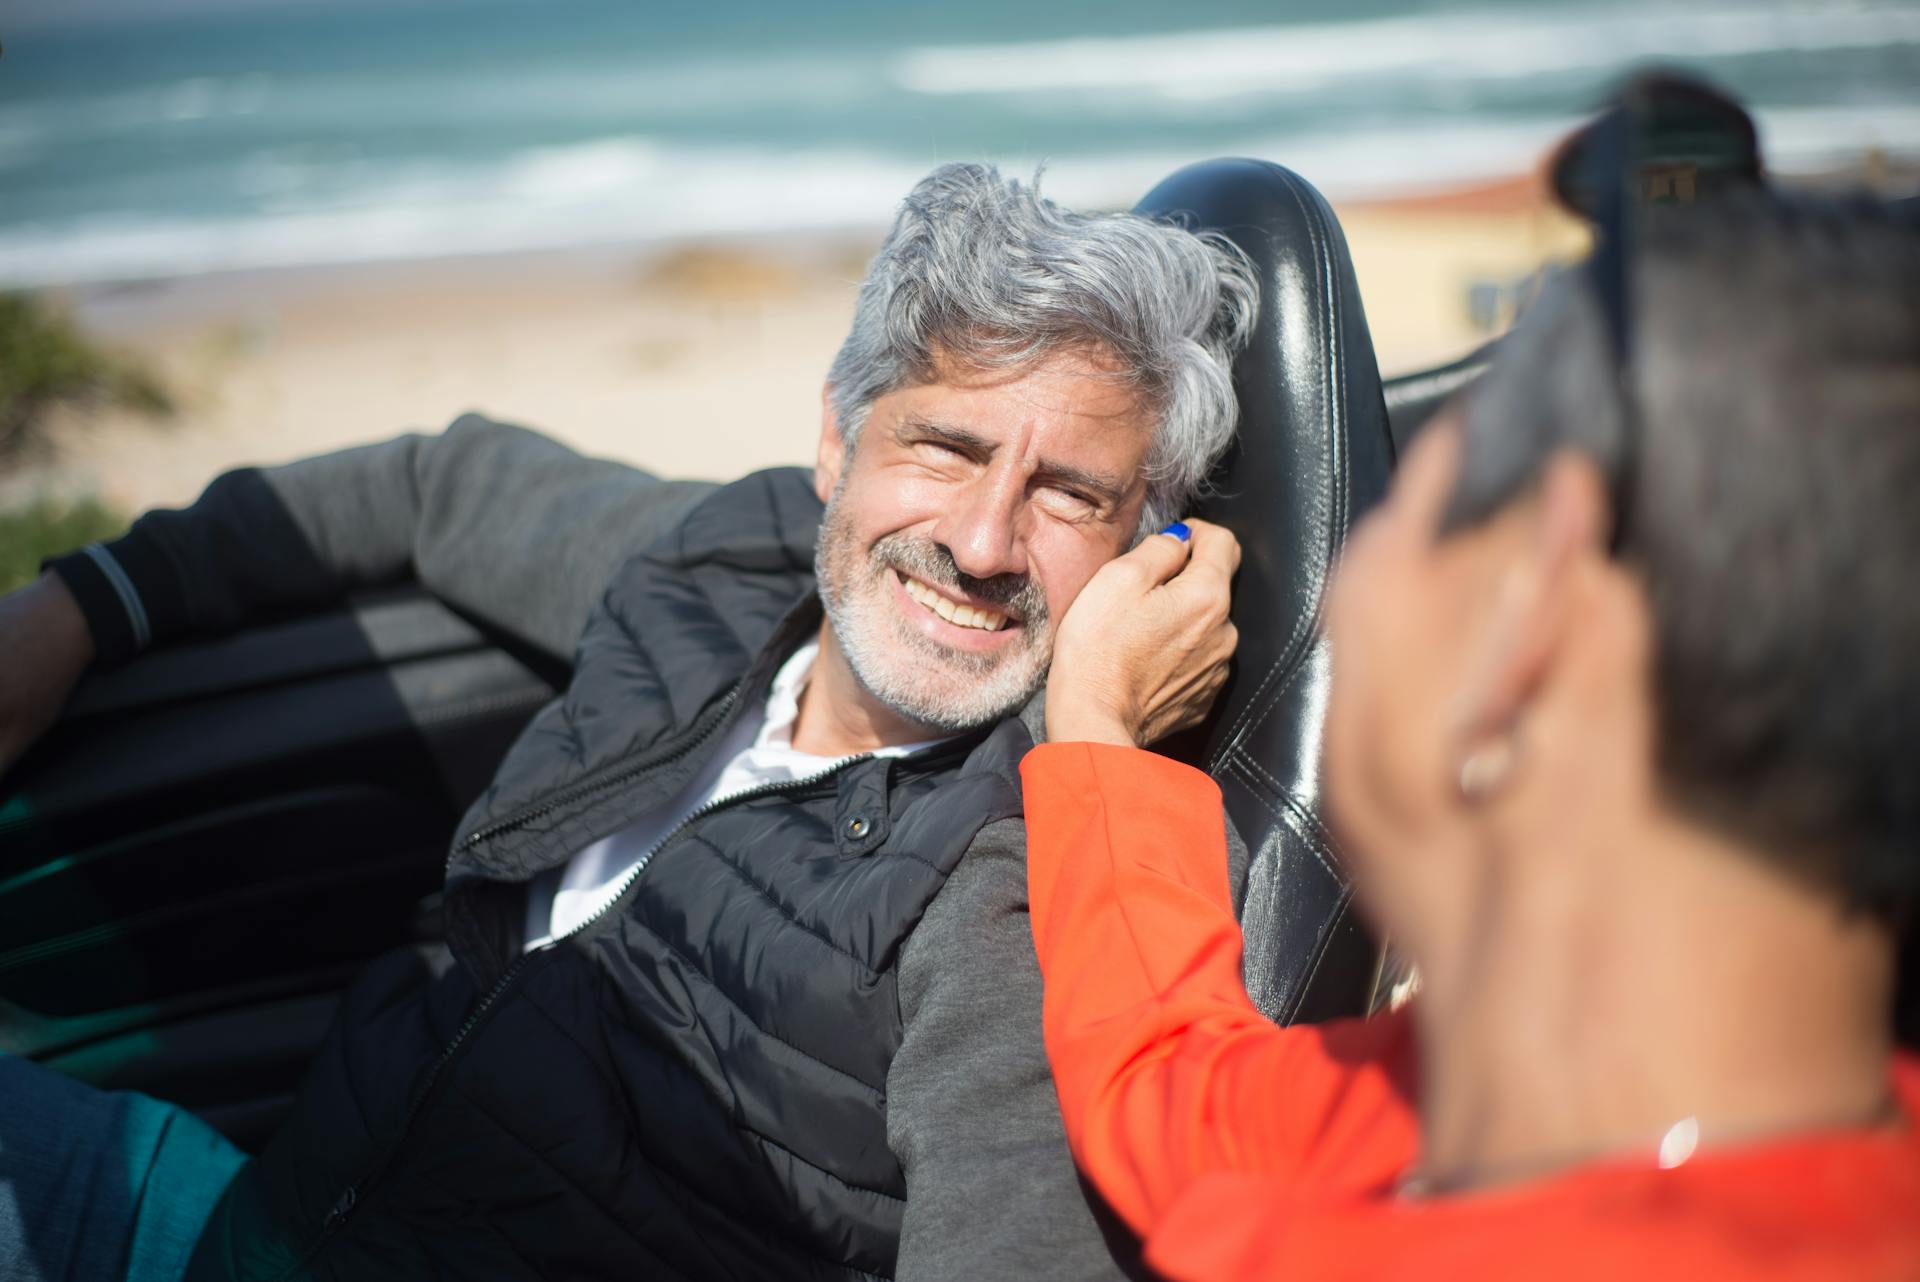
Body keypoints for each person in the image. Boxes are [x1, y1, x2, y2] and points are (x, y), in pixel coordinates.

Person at [0, 163, 1258, 1281]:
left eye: (1070, 495)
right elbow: (432, 482)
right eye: (944, 446)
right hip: (243, 1211)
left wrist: (1095, 738)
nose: (983, 543)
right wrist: (78, 609)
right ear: (837, 437)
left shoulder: (1029, 879)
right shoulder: (730, 555)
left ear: (1151, 547)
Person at [1021, 185, 1920, 1279]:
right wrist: (1098, 731)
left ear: (1533, 608)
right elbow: (1176, 1103)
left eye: (1399, 519)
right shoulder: (1460, 1099)